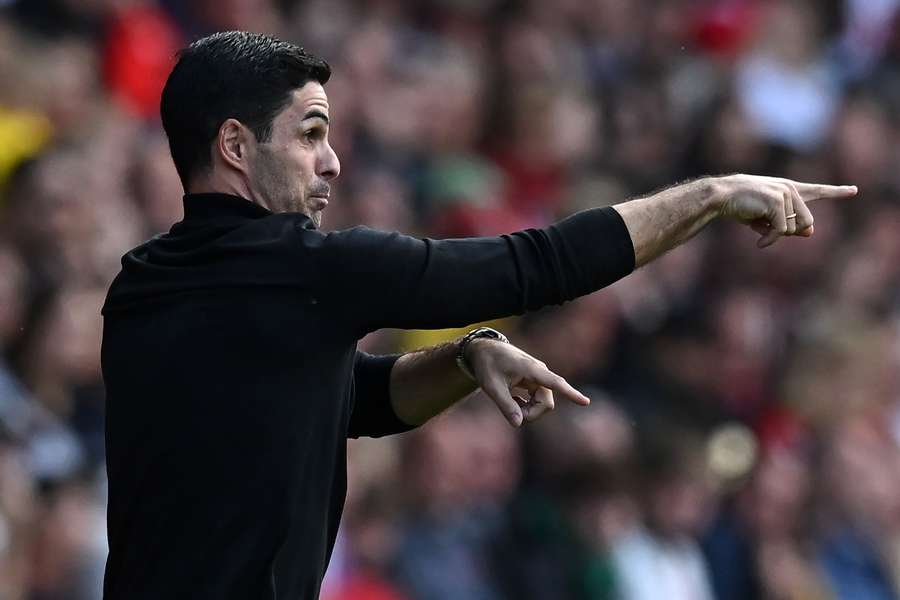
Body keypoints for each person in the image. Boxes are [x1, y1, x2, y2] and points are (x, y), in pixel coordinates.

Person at [99, 30, 857, 600]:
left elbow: (339, 398)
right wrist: (709, 196)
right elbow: (540, 265)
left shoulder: (141, 287)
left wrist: (466, 357)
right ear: (235, 144)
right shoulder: (308, 270)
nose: (331, 161)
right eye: (310, 134)